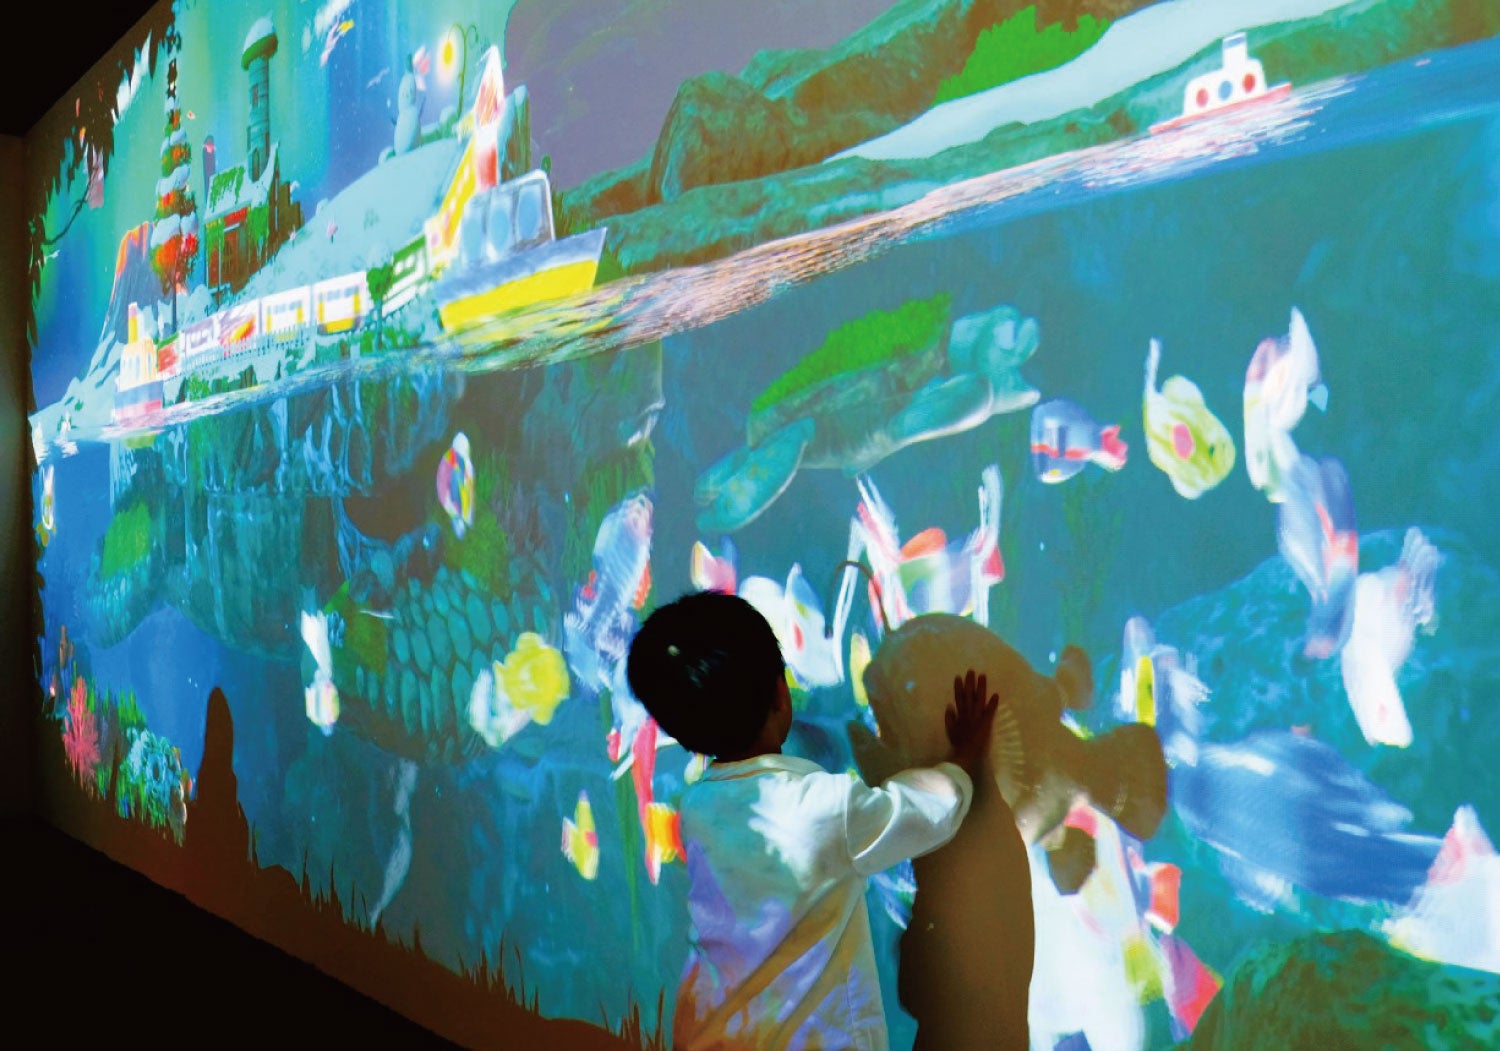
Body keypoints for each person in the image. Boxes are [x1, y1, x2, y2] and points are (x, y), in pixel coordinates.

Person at [626, 590, 998, 1050]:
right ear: (781, 697)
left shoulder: (697, 810)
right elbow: (928, 810)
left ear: (683, 738)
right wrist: (962, 760)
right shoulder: (825, 808)